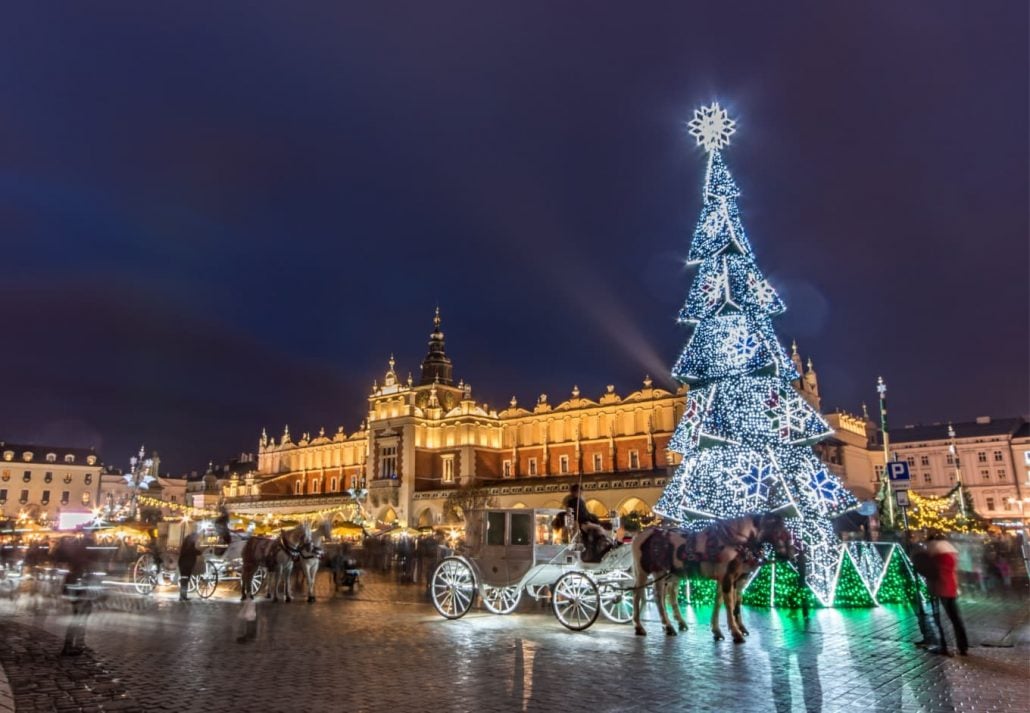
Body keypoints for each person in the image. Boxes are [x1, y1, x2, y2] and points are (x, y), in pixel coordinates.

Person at [926, 530, 969, 656]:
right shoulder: (950, 553)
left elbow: (932, 571)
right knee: (956, 618)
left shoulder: (936, 553)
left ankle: (942, 646)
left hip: (939, 587)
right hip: (951, 587)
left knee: (938, 618)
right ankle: (962, 646)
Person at [561, 484, 612, 558]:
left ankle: (597, 549)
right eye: (579, 491)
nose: (581, 493)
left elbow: (585, 513)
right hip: (582, 523)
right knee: (599, 529)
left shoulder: (579, 501)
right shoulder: (575, 501)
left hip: (584, 521)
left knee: (599, 528)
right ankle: (595, 552)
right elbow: (582, 515)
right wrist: (594, 519)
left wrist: (593, 518)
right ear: (575, 492)